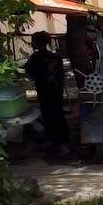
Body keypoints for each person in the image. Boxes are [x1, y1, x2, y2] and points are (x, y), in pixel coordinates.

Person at [23, 31, 75, 159]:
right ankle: (62, 143)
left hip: (45, 92)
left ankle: (59, 145)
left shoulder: (36, 57)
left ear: (38, 42)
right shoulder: (56, 57)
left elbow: (28, 72)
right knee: (59, 117)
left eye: (33, 41)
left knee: (50, 119)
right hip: (56, 92)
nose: (31, 43)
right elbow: (61, 75)